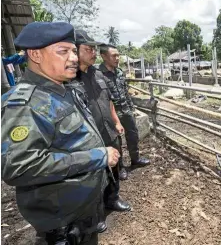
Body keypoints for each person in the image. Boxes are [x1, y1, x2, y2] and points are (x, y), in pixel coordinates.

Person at [1, 22, 120, 245]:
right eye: (63, 51)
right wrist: (98, 156)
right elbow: (19, 166)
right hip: (62, 223)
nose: (74, 58)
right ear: (35, 54)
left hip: (82, 210)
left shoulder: (62, 90)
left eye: (74, 51)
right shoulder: (25, 103)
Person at [73, 30, 131, 227]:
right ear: (75, 51)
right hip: (87, 137)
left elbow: (109, 101)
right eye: (88, 49)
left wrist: (116, 121)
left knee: (113, 167)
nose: (93, 53)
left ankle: (112, 199)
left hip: (108, 130)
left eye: (94, 49)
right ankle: (94, 213)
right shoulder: (69, 78)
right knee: (92, 175)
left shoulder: (98, 74)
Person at [99, 44, 150, 178]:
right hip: (111, 113)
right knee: (116, 141)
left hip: (125, 109)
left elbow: (125, 92)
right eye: (113, 56)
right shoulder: (98, 75)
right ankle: (120, 167)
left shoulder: (119, 72)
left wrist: (131, 107)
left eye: (118, 55)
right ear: (103, 56)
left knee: (133, 134)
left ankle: (135, 159)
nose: (117, 58)